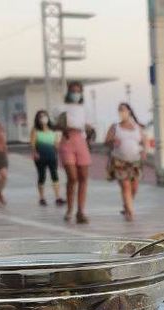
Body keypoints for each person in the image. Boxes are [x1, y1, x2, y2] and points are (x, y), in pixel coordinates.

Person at [105, 103, 149, 220]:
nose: (121, 112)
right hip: (119, 161)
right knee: (125, 185)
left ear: (129, 111)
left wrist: (144, 151)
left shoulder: (137, 127)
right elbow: (107, 141)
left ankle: (126, 205)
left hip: (135, 161)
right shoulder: (115, 127)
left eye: (123, 110)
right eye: (119, 110)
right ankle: (130, 212)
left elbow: (145, 141)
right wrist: (112, 140)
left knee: (134, 187)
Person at [57, 81, 92, 224]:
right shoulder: (61, 108)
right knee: (72, 177)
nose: (75, 94)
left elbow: (89, 126)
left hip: (81, 141)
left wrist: (89, 130)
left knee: (83, 177)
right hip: (67, 140)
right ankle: (69, 209)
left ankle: (81, 211)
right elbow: (57, 123)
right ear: (68, 91)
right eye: (73, 91)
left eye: (78, 91)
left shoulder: (85, 109)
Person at [30, 110, 63, 207]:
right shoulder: (35, 130)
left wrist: (59, 149)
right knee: (42, 176)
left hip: (52, 156)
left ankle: (58, 197)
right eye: (41, 116)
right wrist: (35, 153)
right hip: (40, 156)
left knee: (55, 175)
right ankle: (42, 198)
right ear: (38, 119)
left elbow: (56, 143)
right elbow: (32, 144)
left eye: (45, 116)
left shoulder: (52, 130)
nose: (43, 118)